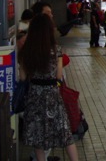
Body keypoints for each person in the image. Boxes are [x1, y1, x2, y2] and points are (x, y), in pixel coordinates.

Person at [18, 14, 79, 161]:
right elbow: (58, 75)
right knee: (65, 133)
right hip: (52, 95)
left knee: (38, 137)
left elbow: (22, 77)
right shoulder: (55, 50)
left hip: (35, 96)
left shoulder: (27, 51)